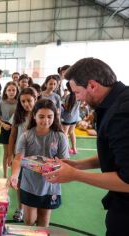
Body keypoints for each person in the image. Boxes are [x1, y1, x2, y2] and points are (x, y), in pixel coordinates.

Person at [44, 57, 129, 235]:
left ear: (92, 85)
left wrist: (75, 175)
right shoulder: (114, 103)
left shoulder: (122, 113)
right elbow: (116, 155)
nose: (77, 98)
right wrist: (78, 164)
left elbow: (126, 180)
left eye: (77, 91)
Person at [8, 99, 69, 227]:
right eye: (41, 116)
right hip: (29, 184)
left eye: (49, 117)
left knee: (44, 219)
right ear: (34, 116)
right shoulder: (26, 136)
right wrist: (14, 176)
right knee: (29, 220)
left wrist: (54, 165)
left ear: (55, 117)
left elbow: (64, 162)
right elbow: (18, 158)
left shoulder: (60, 137)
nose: (45, 120)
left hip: (50, 185)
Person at [8, 87, 38, 222]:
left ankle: (35, 207)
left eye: (29, 100)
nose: (26, 104)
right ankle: (20, 208)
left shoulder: (41, 115)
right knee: (19, 183)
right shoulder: (17, 115)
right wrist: (10, 154)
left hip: (36, 157)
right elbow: (12, 135)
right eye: (23, 101)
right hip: (20, 156)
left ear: (36, 99)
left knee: (34, 183)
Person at [0, 82, 18, 178]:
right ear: (5, 92)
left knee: (15, 153)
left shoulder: (20, 102)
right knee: (7, 153)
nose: (11, 92)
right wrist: (3, 124)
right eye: (9, 90)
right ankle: (4, 175)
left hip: (16, 129)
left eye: (13, 90)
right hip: (6, 128)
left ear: (17, 91)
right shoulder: (1, 102)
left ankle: (14, 175)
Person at [61, 82, 80, 155]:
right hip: (75, 117)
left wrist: (62, 105)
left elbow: (67, 108)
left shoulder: (69, 96)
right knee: (72, 132)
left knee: (65, 133)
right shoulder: (78, 95)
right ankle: (74, 149)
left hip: (67, 117)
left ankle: (68, 149)